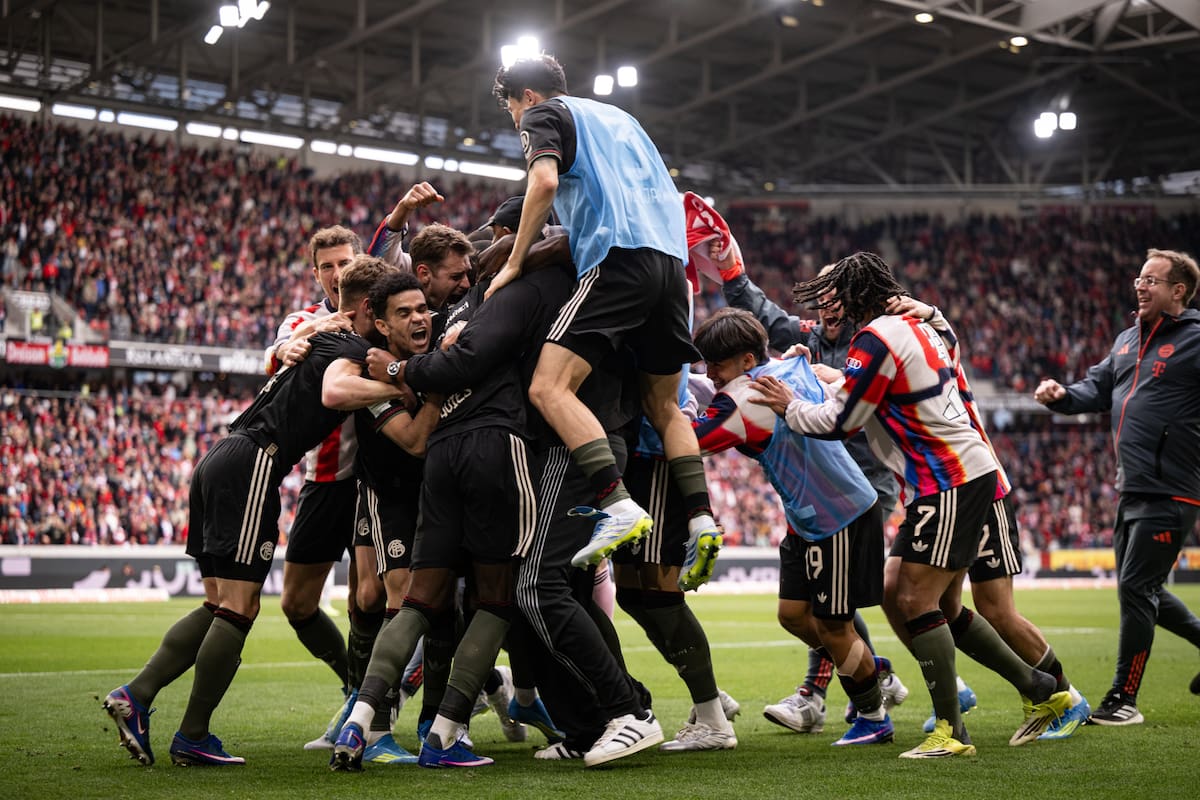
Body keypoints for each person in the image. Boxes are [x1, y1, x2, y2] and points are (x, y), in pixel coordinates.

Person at [751, 251, 1070, 758]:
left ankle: (953, 729)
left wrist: (789, 405)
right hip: (951, 477)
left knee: (917, 602)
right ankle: (1037, 688)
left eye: (835, 293)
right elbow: (892, 381)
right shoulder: (913, 327)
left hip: (950, 477)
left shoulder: (876, 337)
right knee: (908, 591)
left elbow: (843, 420)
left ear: (856, 295)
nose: (829, 303)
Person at [102, 256, 405, 767]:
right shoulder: (350, 346)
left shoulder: (323, 335)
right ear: (371, 310)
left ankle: (137, 696)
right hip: (256, 462)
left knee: (218, 605)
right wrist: (402, 384)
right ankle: (192, 734)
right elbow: (335, 390)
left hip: (222, 458)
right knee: (239, 610)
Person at [488, 54, 720, 594]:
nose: (512, 119)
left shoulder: (541, 116)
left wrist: (517, 260)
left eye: (508, 107)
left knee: (548, 386)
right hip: (670, 269)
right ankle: (702, 518)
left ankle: (616, 503)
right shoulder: (623, 121)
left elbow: (543, 182)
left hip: (618, 259)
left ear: (525, 96)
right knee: (665, 406)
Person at [692, 308, 899, 747]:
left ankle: (873, 716)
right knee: (793, 616)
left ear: (748, 361)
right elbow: (800, 367)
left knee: (833, 628)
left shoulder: (745, 398)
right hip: (809, 518)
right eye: (705, 364)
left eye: (717, 365)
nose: (710, 374)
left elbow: (690, 443)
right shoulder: (784, 366)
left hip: (836, 515)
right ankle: (869, 668)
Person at [1035, 247, 1200, 725]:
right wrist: (1062, 396)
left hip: (1173, 490)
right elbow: (1097, 388)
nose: (1140, 286)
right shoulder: (1128, 340)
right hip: (1131, 488)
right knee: (1141, 587)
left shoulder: (1195, 339)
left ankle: (1123, 700)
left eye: (1152, 280)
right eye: (1139, 278)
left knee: (1135, 586)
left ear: (1178, 291)